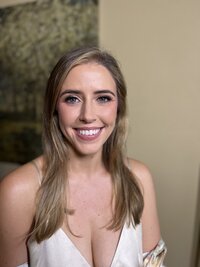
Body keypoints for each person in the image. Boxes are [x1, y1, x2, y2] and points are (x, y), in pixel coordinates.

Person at [0, 46, 167, 267]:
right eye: (72, 99)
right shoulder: (18, 191)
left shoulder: (138, 178)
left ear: (118, 108)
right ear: (54, 108)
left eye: (103, 98)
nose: (88, 115)